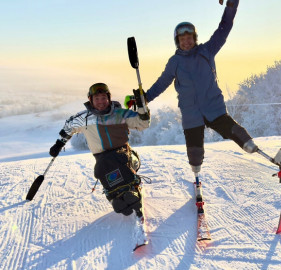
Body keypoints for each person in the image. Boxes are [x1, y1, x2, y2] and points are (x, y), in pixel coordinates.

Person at [128, 0, 258, 174]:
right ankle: (197, 180)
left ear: (194, 38)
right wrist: (145, 98)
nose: (186, 42)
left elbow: (224, 28)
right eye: (182, 39)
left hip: (215, 109)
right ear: (177, 41)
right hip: (191, 114)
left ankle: (260, 153)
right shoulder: (175, 62)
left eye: (189, 38)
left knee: (237, 132)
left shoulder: (207, 51)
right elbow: (163, 82)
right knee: (195, 153)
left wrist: (231, 6)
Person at [49, 83, 150, 218]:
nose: (101, 102)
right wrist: (58, 144)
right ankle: (116, 199)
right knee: (103, 171)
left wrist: (142, 107)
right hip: (103, 160)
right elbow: (69, 126)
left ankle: (132, 191)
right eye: (97, 98)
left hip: (123, 153)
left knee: (125, 165)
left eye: (103, 98)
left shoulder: (120, 114)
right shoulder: (84, 119)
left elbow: (143, 123)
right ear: (90, 100)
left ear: (109, 98)